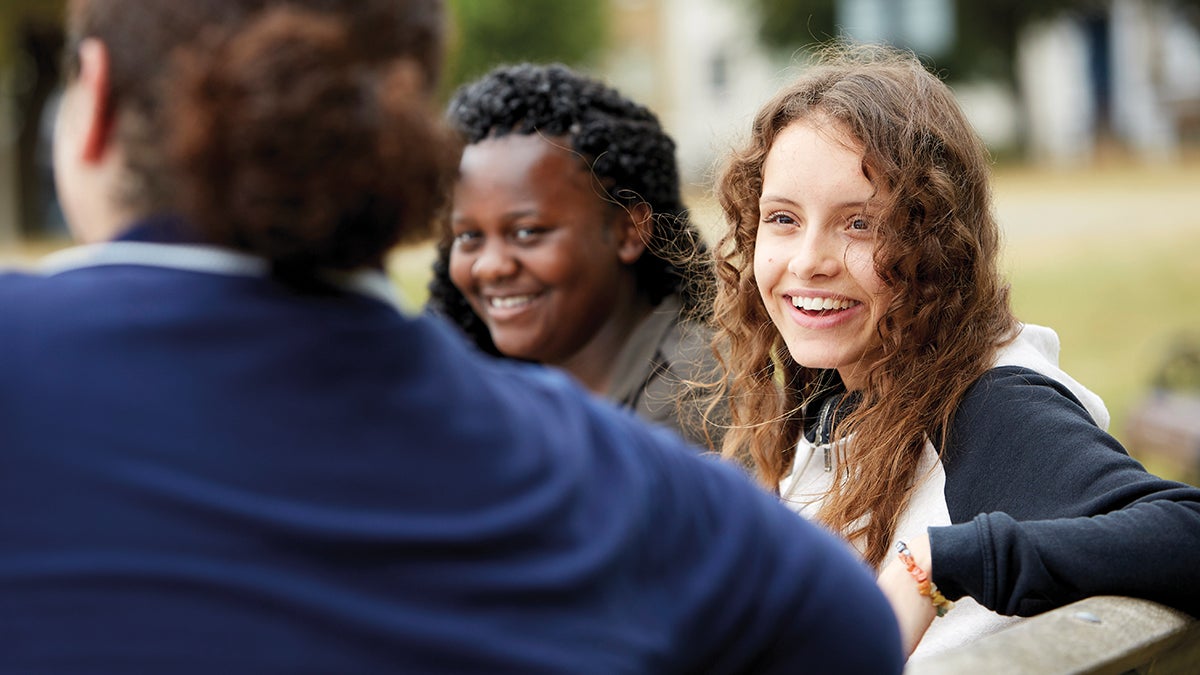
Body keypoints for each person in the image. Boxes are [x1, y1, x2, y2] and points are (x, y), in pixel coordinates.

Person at [0, 1, 905, 672]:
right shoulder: (623, 489)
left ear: (96, 101)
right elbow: (849, 631)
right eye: (475, 236)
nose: (496, 263)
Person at [711, 43, 1200, 661]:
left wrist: (940, 565)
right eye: (782, 218)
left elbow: (1186, 531)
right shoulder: (836, 389)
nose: (809, 259)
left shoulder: (987, 406)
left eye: (860, 224)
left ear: (936, 241)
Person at [427, 63, 723, 450]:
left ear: (628, 231)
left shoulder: (698, 403)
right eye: (468, 236)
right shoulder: (499, 387)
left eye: (527, 232)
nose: (491, 265)